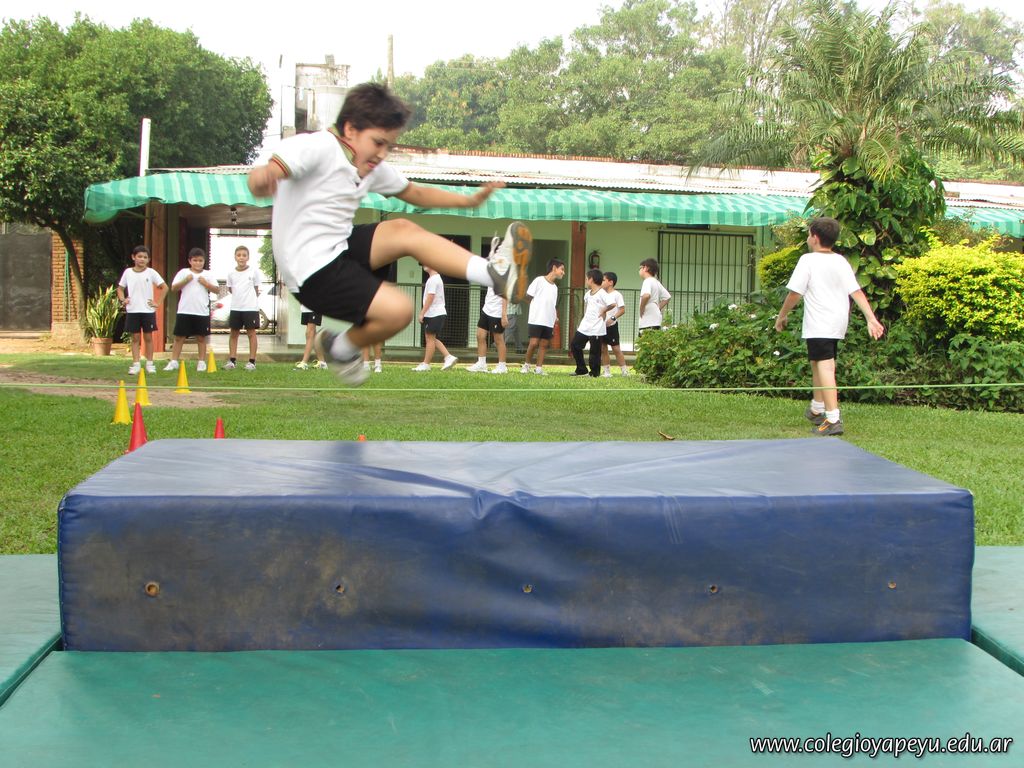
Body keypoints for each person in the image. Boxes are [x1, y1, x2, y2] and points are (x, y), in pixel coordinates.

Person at [246, 82, 531, 387]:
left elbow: (416, 193)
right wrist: (263, 178)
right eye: (378, 143)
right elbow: (266, 173)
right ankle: (340, 348)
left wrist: (469, 201)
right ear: (350, 128)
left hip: (339, 248)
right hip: (309, 271)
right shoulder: (315, 147)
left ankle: (494, 274)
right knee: (399, 310)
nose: (382, 154)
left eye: (389, 147)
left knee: (403, 230)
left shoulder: (370, 165)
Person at [775, 216, 885, 436]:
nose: (808, 238)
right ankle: (817, 408)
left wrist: (782, 315)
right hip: (836, 322)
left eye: (809, 235)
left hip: (820, 322)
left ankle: (833, 419)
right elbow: (856, 291)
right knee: (817, 362)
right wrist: (870, 317)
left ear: (815, 238)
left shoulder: (808, 260)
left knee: (825, 367)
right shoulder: (840, 261)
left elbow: (795, 293)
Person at [164, 248, 217, 372]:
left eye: (200, 260)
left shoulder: (208, 274)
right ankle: (174, 361)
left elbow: (217, 290)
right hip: (184, 310)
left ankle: (201, 362)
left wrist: (206, 284)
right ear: (190, 261)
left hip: (201, 311)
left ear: (204, 261)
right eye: (195, 260)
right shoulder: (183, 272)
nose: (198, 263)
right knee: (179, 337)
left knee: (201, 338)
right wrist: (186, 280)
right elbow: (173, 288)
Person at [117, 245, 167, 375]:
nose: (142, 259)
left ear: (148, 259)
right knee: (135, 338)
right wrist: (123, 300)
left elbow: (164, 287)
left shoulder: (151, 272)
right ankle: (136, 364)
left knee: (148, 337)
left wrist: (157, 303)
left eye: (145, 257)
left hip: (147, 311)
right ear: (133, 257)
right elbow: (120, 288)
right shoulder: (128, 272)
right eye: (139, 256)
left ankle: (150, 364)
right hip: (133, 310)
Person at [467, 234, 509, 374]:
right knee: (480, 335)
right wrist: (492, 251)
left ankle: (502, 366)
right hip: (487, 309)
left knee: (498, 339)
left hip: (497, 311)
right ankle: (481, 363)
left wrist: (504, 314)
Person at [520, 259, 565, 375]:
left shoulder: (555, 288)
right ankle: (526, 365)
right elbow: (528, 297)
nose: (563, 273)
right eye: (562, 269)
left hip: (549, 321)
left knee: (544, 344)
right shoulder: (539, 280)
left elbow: (553, 305)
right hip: (536, 319)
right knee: (534, 343)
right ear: (554, 268)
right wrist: (536, 309)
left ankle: (539, 368)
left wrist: (555, 317)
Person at [224, 245, 262, 371]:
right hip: (236, 307)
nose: (241, 257)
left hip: (250, 308)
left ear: (248, 257)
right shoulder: (231, 274)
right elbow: (231, 289)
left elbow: (256, 289)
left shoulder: (254, 272)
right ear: (235, 257)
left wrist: (249, 300)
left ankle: (252, 362)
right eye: (239, 255)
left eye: (244, 255)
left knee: (251, 333)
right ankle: (232, 360)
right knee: (234, 333)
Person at [570, 269, 612, 377]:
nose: (585, 281)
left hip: (597, 327)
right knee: (575, 345)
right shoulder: (587, 294)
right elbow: (586, 308)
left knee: (594, 352)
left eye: (586, 279)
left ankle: (594, 373)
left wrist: (603, 310)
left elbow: (612, 304)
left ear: (591, 279)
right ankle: (581, 369)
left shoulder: (602, 293)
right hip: (585, 326)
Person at [414, 267, 458, 371]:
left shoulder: (433, 279)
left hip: (434, 313)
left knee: (430, 339)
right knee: (431, 338)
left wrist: (422, 313)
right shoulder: (434, 278)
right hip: (434, 313)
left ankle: (426, 364)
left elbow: (431, 297)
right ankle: (448, 357)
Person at [600, 271, 629, 377]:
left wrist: (612, 318)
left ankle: (624, 371)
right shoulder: (601, 294)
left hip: (612, 326)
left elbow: (622, 310)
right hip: (601, 326)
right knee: (603, 348)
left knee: (616, 348)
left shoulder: (617, 295)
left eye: (603, 280)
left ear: (611, 282)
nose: (601, 282)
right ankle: (606, 371)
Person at [638, 258, 671, 334]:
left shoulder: (647, 281)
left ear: (646, 268)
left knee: (645, 340)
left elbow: (646, 295)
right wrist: (657, 307)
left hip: (647, 321)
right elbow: (667, 297)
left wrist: (641, 308)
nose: (639, 271)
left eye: (640, 268)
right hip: (656, 320)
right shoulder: (656, 282)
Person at [294, 303, 328, 370]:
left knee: (310, 333)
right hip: (305, 307)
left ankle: (304, 363)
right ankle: (322, 363)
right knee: (312, 334)